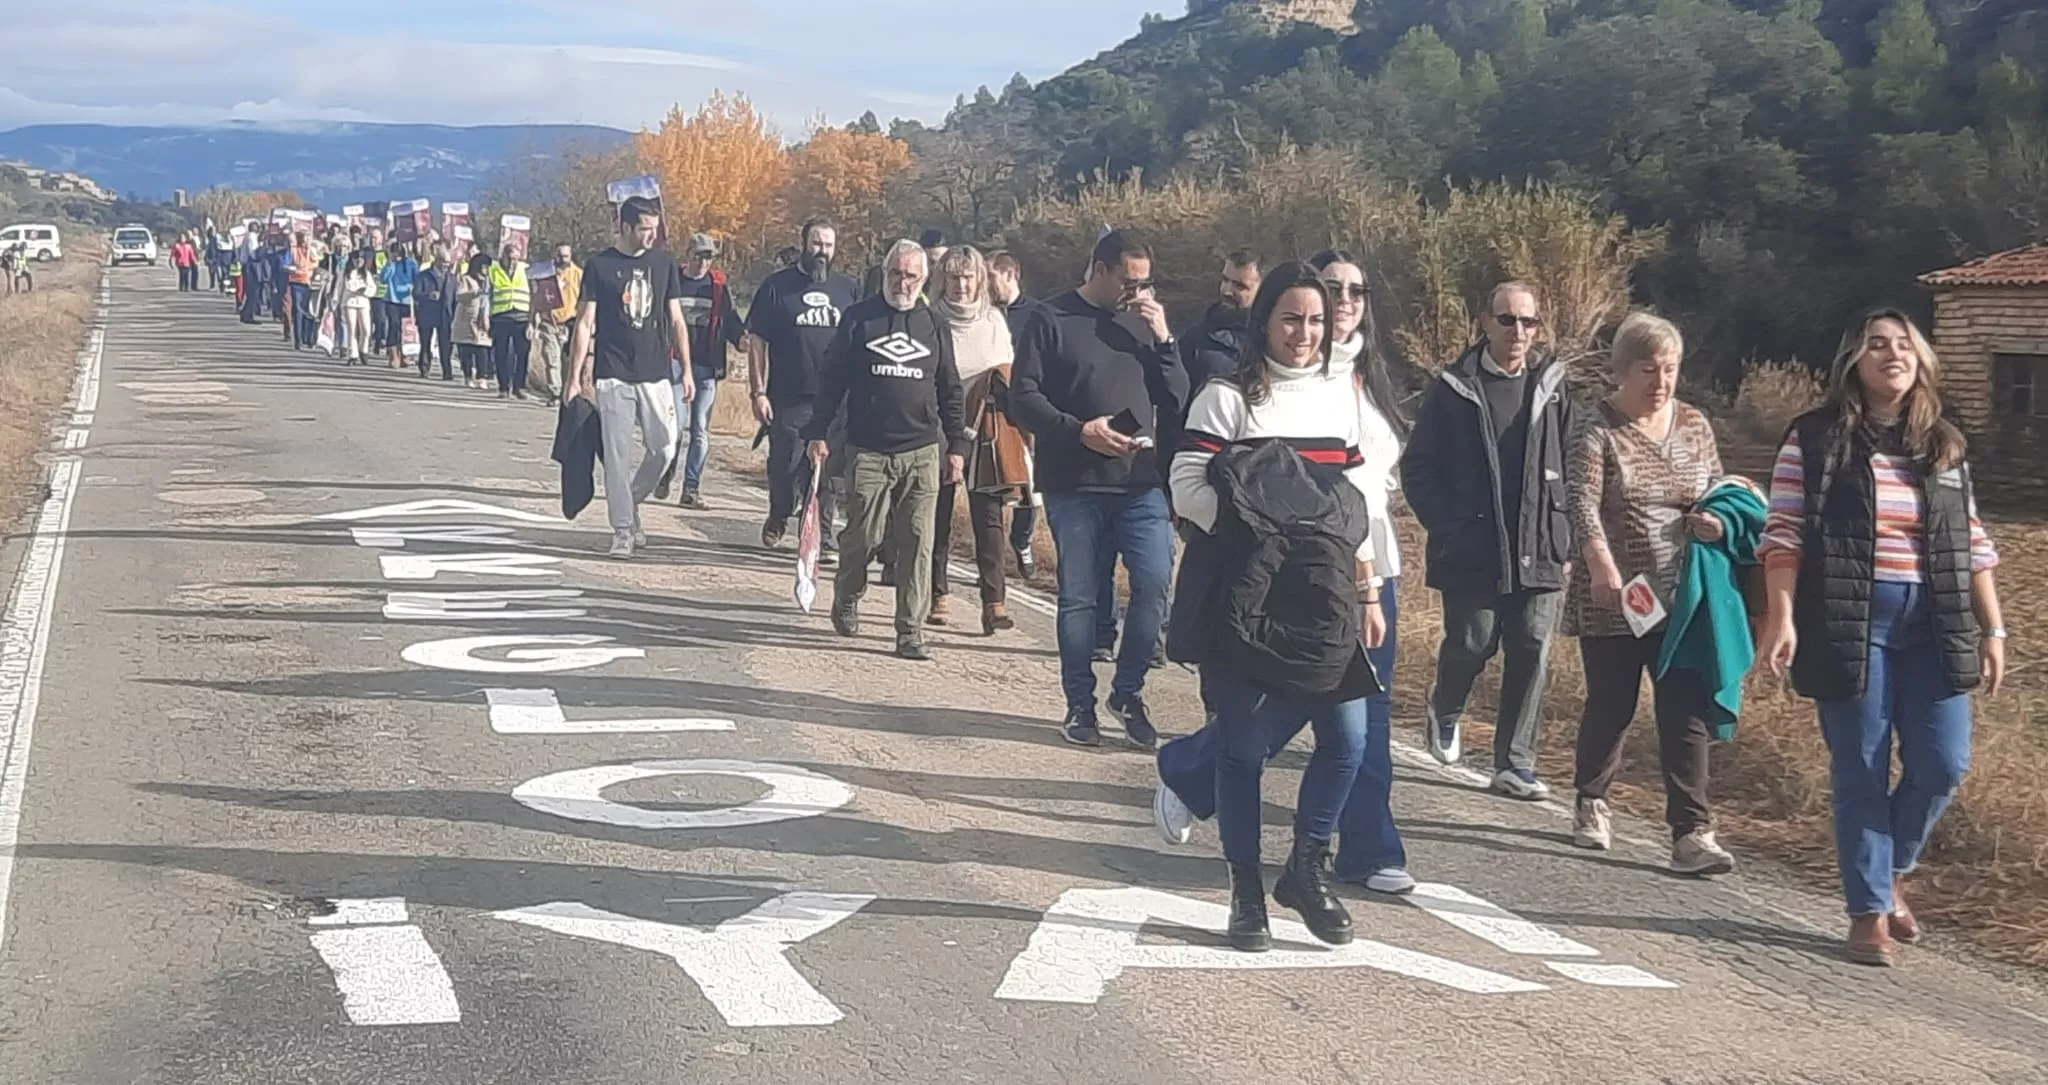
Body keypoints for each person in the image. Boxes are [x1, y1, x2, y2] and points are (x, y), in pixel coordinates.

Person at [1151, 250, 1414, 897]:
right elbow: (1186, 486)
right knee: (1244, 747)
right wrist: (1256, 531)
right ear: (1265, 319)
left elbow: (1355, 503)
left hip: (1327, 593)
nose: (1305, 332)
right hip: (1250, 594)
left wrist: (1368, 587)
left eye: (1315, 321)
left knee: (1349, 737)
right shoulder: (1227, 397)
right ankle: (1246, 894)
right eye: (1292, 319)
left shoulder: (1342, 398)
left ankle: (1306, 867)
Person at [1755, 307, 2006, 967]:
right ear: (1853, 361)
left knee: (1943, 763)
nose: (1892, 354)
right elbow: (1783, 530)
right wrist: (1782, 615)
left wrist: (1994, 626)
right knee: (1861, 765)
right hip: (1850, 617)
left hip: (1935, 623)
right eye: (1876, 345)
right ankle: (1868, 911)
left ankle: (1892, 866)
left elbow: (1971, 539)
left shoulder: (1943, 443)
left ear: (1920, 360)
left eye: (1903, 345)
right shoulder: (1815, 437)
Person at [1563, 312, 1736, 875]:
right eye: (1648, 369)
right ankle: (1592, 799)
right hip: (1619, 592)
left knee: (1684, 708)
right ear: (1622, 371)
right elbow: (1582, 502)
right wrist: (1600, 565)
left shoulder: (1694, 424)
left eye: (1670, 368)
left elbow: (1716, 488)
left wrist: (1717, 522)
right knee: (1613, 702)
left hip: (1682, 594)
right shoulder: (1596, 426)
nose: (1661, 382)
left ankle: (1692, 831)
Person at [1009, 229, 1188, 748]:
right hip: (1075, 483)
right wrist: (1077, 430)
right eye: (1129, 282)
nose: (1138, 293)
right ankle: (1079, 704)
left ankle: (1127, 692)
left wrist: (1165, 340)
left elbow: (1178, 398)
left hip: (1139, 480)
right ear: (1100, 269)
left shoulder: (1145, 324)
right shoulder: (1051, 318)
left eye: (1146, 283)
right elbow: (1023, 397)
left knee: (1154, 584)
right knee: (1080, 598)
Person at [1401, 281, 1576, 800]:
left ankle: (1515, 763)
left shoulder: (1554, 386)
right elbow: (1418, 468)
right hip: (1472, 546)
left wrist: (1566, 533)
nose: (1518, 331)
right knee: (1472, 643)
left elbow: (1575, 461)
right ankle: (1445, 708)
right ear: (1484, 322)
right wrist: (1448, 525)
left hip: (1540, 543)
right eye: (1507, 320)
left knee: (1531, 647)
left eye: (1528, 321)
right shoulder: (1454, 387)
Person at [806, 240, 966, 662]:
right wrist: (818, 432)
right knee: (865, 536)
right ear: (884, 272)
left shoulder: (935, 326)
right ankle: (848, 592)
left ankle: (910, 630)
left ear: (924, 279)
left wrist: (957, 446)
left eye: (911, 276)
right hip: (868, 449)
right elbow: (832, 379)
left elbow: (950, 389)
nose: (902, 283)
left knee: (917, 540)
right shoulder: (859, 319)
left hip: (922, 451)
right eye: (896, 273)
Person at [565, 196, 694, 559]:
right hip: (613, 373)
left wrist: (686, 369)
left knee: (665, 447)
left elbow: (676, 319)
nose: (652, 235)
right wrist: (574, 377)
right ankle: (622, 529)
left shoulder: (664, 264)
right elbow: (584, 323)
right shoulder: (600, 266)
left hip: (656, 372)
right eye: (644, 229)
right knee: (617, 455)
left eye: (655, 228)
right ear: (624, 227)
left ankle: (631, 500)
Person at [930, 245, 1033, 636]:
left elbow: (1008, 373)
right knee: (937, 514)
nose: (961, 285)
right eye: (954, 277)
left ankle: (994, 602)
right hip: (939, 426)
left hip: (985, 429)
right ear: (943, 280)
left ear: (980, 281)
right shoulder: (931, 320)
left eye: (968, 277)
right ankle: (937, 592)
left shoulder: (994, 321)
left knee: (989, 518)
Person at [747, 218, 861, 547]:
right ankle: (779, 512)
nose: (822, 251)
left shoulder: (848, 289)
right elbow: (757, 341)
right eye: (817, 243)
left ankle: (820, 537)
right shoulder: (776, 287)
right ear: (804, 244)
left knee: (826, 471)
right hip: (789, 396)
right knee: (785, 466)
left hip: (834, 399)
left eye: (828, 245)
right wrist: (758, 391)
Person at [662, 232, 744, 509]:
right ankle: (667, 470)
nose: (704, 262)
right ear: (688, 255)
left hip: (707, 366)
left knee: (700, 429)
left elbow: (730, 320)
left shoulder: (717, 287)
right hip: (675, 364)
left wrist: (741, 339)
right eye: (699, 256)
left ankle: (691, 489)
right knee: (675, 427)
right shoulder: (673, 281)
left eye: (709, 257)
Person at [986, 250, 1045, 579]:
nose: (987, 286)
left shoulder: (1037, 314)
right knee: (991, 482)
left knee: (1031, 486)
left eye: (991, 278)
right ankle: (991, 558)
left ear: (1010, 274)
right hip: (993, 409)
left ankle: (1022, 540)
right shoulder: (984, 314)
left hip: (1029, 406)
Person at [1178, 250, 1261, 394]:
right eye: (1225, 280)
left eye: (1240, 286)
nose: (1227, 291)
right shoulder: (1195, 339)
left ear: (1262, 290)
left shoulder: (1276, 342)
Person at [534, 242, 582, 405]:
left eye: (565, 256)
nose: (562, 259)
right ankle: (555, 393)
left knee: (568, 361)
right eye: (559, 256)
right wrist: (535, 316)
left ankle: (568, 393)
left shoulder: (579, 275)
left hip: (570, 323)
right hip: (549, 323)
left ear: (571, 256)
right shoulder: (546, 274)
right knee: (551, 358)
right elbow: (538, 297)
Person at [488, 242, 533, 399]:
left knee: (522, 353)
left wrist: (532, 320)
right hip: (500, 317)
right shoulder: (493, 270)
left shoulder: (526, 270)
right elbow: (487, 295)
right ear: (503, 256)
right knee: (501, 353)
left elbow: (534, 295)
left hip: (522, 317)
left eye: (515, 259)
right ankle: (503, 387)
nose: (513, 262)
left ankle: (519, 387)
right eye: (510, 258)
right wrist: (485, 317)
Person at [414, 244, 459, 381]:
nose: (446, 266)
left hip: (445, 314)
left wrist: (455, 315)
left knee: (446, 344)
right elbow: (416, 293)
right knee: (425, 342)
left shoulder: (452, 278)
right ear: (437, 261)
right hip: (427, 313)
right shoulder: (424, 275)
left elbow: (455, 298)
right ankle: (424, 368)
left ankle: (447, 371)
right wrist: (428, 295)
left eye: (448, 263)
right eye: (444, 262)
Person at [453, 253, 493, 386]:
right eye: (484, 266)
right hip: (466, 319)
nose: (486, 269)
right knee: (466, 350)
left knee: (483, 350)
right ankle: (468, 376)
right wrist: (475, 293)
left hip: (483, 320)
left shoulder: (489, 281)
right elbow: (460, 296)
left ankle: (482, 377)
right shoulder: (466, 279)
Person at [377, 241, 418, 369]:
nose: (396, 255)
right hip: (392, 300)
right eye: (394, 253)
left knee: (406, 329)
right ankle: (393, 356)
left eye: (398, 253)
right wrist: (390, 263)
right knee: (393, 326)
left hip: (407, 301)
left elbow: (416, 279)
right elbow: (383, 279)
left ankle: (406, 355)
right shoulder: (390, 264)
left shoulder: (411, 263)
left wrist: (413, 290)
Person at [339, 252, 376, 366]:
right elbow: (346, 287)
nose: (358, 261)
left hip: (363, 302)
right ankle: (353, 354)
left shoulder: (367, 273)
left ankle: (363, 350)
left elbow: (372, 288)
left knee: (366, 329)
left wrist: (365, 290)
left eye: (361, 259)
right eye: (356, 259)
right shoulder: (346, 273)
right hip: (350, 302)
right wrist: (337, 303)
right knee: (352, 329)